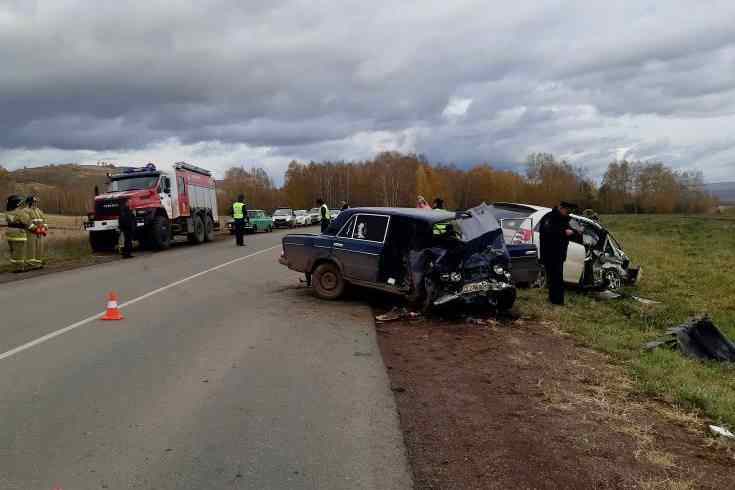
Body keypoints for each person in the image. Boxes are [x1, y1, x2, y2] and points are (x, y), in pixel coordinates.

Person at [539, 201, 576, 306]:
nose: (567, 213)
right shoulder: (549, 218)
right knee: (555, 278)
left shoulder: (563, 219)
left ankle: (555, 300)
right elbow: (548, 232)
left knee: (556, 278)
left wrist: (572, 232)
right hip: (550, 253)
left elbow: (571, 231)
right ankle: (557, 301)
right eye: (566, 211)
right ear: (561, 208)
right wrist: (563, 232)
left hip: (559, 254)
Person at [4, 195, 31, 272]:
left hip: (9, 233)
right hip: (19, 234)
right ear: (16, 203)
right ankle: (19, 268)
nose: (20, 204)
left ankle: (14, 267)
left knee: (13, 252)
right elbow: (26, 221)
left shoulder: (7, 212)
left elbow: (8, 220)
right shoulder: (20, 212)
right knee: (20, 252)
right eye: (19, 203)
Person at [25, 196, 46, 269]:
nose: (35, 203)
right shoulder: (26, 211)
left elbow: (44, 220)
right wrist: (35, 229)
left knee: (39, 249)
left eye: (36, 202)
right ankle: (30, 264)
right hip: (31, 233)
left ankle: (38, 264)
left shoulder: (39, 211)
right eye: (34, 202)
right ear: (29, 203)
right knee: (31, 249)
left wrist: (44, 228)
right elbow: (27, 222)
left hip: (40, 233)